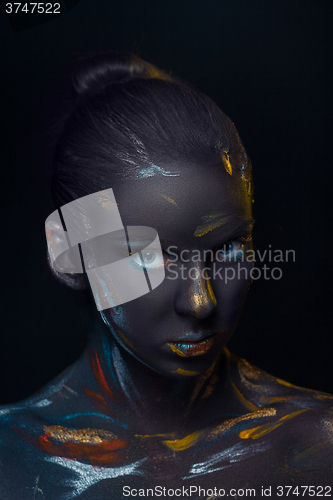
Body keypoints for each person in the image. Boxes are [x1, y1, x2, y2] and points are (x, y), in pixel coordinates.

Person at [0, 52, 332, 500]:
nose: (201, 303)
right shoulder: (10, 460)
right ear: (69, 252)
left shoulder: (316, 446)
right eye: (143, 253)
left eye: (228, 248)